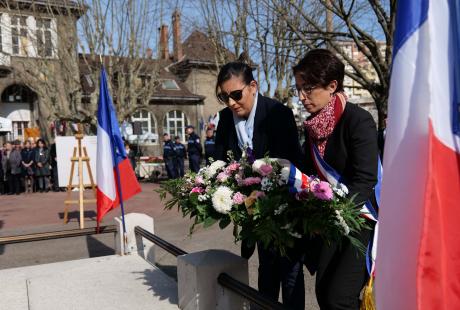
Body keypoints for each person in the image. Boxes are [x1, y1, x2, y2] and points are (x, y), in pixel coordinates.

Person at [213, 61, 305, 309]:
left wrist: (268, 192)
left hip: (285, 211)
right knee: (266, 270)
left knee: (290, 273)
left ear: (253, 86)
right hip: (253, 213)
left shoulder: (278, 114)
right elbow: (220, 164)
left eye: (235, 94)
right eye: (224, 97)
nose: (231, 103)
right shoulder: (224, 119)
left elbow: (292, 164)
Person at [293, 49, 378, 310]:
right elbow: (310, 175)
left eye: (308, 88)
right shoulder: (312, 126)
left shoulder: (358, 120)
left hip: (360, 219)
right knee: (323, 291)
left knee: (340, 298)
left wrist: (340, 213)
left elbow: (366, 178)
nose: (301, 97)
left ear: (332, 86)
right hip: (330, 221)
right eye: (298, 89)